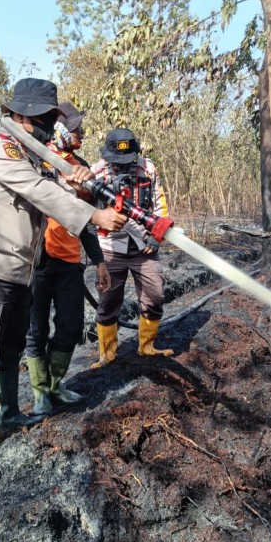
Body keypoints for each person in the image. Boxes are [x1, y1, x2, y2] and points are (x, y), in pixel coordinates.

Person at [0, 78, 127, 482]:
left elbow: (47, 184)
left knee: (8, 346)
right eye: (48, 118)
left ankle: (7, 413)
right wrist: (93, 216)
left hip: (16, 270)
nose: (53, 126)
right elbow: (35, 190)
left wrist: (76, 184)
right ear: (25, 116)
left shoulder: (30, 153)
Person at [25, 103, 111, 416]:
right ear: (58, 127)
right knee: (35, 330)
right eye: (76, 128)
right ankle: (40, 393)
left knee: (71, 325)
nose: (82, 134)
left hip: (70, 260)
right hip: (37, 261)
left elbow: (85, 219)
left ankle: (56, 383)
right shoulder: (35, 160)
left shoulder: (80, 167)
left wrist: (99, 260)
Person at [90, 128, 173, 369]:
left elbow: (160, 205)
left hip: (143, 245)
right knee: (107, 299)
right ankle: (107, 354)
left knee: (155, 293)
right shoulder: (96, 172)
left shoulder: (148, 168)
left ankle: (147, 346)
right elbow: (86, 211)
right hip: (110, 246)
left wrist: (157, 237)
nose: (123, 166)